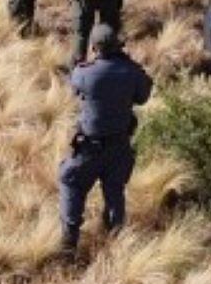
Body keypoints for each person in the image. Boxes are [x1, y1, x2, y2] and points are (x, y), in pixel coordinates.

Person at [58, 23, 153, 255]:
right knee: (114, 191)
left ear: (94, 47)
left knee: (71, 182)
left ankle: (69, 241)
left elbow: (75, 87)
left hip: (88, 148)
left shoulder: (84, 72)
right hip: (119, 146)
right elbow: (143, 96)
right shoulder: (131, 72)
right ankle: (116, 239)